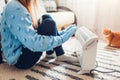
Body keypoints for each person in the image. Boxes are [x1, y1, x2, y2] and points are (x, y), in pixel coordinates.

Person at [0, 0, 78, 69]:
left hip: (23, 48)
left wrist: (62, 34)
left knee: (46, 17)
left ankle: (52, 53)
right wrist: (62, 39)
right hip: (20, 59)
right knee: (49, 23)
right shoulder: (15, 8)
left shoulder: (16, 4)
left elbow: (28, 33)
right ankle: (57, 53)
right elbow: (34, 43)